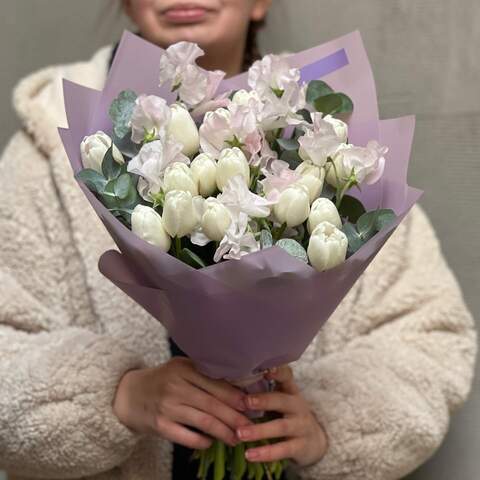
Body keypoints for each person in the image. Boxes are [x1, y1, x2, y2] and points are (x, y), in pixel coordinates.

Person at [0, 1, 476, 479]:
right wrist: (119, 396)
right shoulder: (61, 152)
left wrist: (331, 423)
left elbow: (431, 336)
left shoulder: (329, 141)